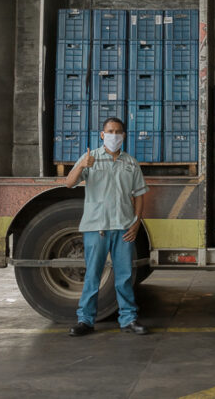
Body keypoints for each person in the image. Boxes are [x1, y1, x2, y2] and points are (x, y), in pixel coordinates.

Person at [64, 117, 150, 336]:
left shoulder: (130, 163)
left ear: (123, 136)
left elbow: (139, 195)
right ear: (102, 135)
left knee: (124, 277)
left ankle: (128, 319)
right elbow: (68, 182)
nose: (114, 135)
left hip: (123, 228)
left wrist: (137, 222)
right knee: (92, 275)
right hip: (97, 228)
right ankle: (85, 320)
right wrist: (82, 165)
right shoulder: (90, 158)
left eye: (118, 132)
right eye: (110, 131)